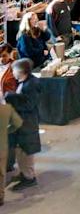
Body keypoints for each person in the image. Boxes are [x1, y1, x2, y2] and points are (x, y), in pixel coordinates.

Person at [7, 58, 39, 191]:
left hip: (27, 124)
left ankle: (29, 178)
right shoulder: (25, 82)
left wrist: (12, 97)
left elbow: (29, 104)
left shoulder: (31, 85)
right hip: (22, 123)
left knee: (25, 151)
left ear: (20, 71)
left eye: (13, 70)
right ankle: (24, 173)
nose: (12, 72)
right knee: (20, 151)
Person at [0, 90, 21, 205]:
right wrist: (7, 131)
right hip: (2, 146)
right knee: (2, 173)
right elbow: (18, 124)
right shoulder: (7, 109)